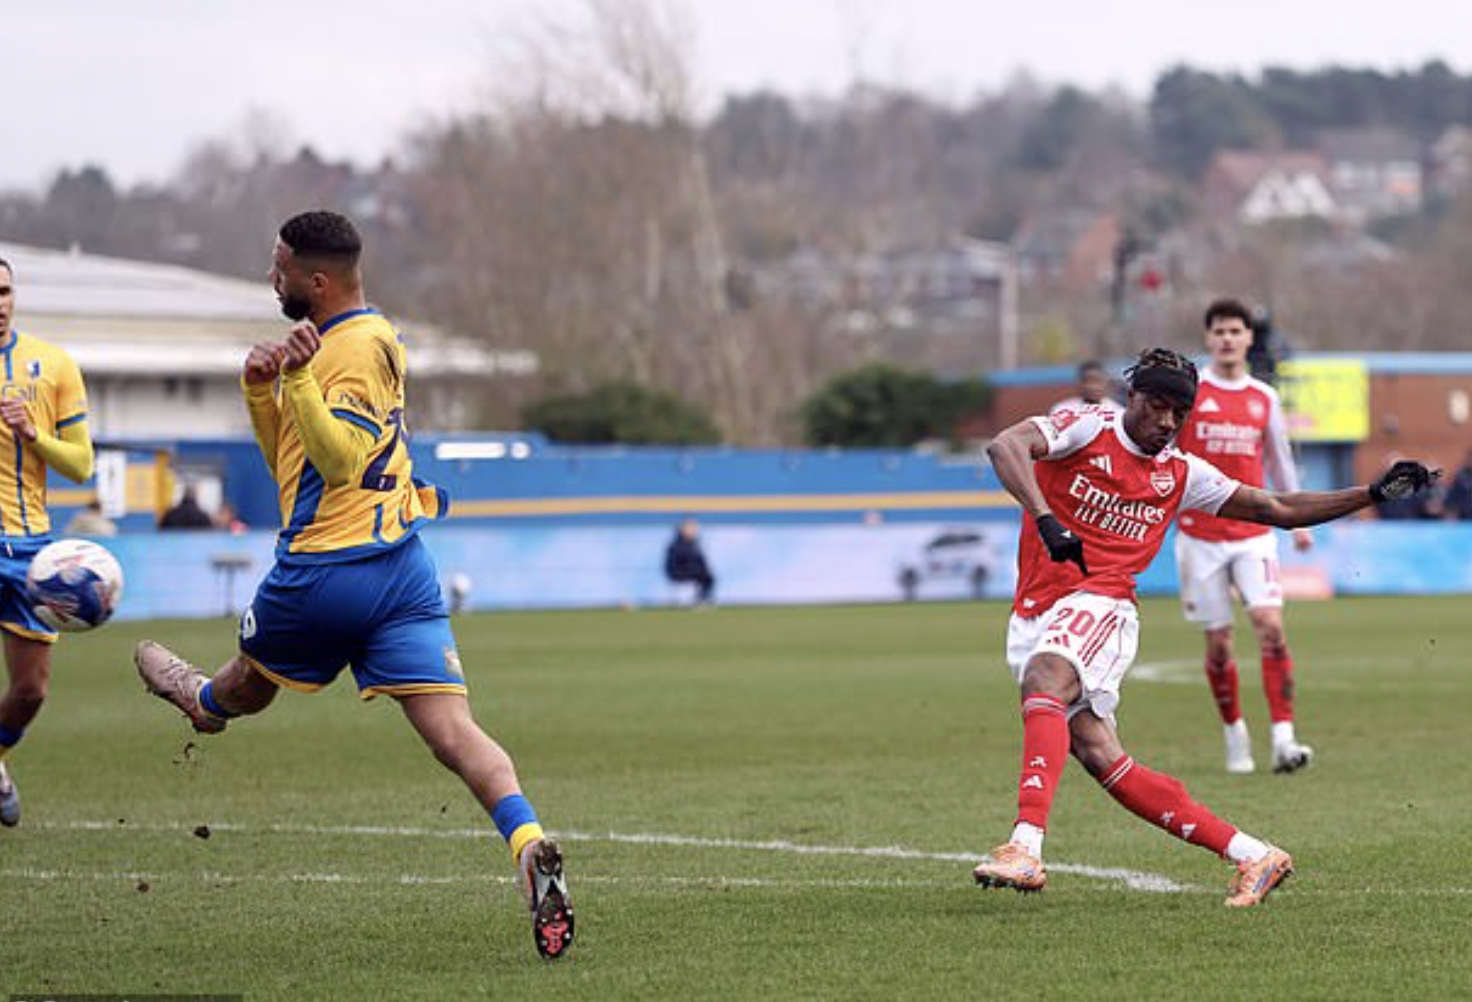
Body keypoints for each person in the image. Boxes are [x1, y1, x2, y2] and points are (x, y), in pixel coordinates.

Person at [132, 211, 573, 959]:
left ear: (315, 280)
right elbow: (295, 460)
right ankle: (527, 842)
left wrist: (298, 376)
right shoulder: (375, 336)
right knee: (455, 734)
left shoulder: (341, 354)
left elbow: (335, 464)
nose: (270, 277)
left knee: (245, 689)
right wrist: (261, 391)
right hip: (401, 567)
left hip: (325, 573)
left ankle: (197, 701)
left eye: (278, 267)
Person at [973, 347, 1436, 906]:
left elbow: (1277, 508)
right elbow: (1006, 445)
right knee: (1100, 755)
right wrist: (1045, 519)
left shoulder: (1182, 472)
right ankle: (1254, 854)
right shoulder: (1085, 428)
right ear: (1133, 398)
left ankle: (1025, 847)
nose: (1166, 423)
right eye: (1156, 406)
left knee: (1046, 679)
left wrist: (1370, 494)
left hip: (1104, 605)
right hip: (1036, 610)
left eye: (1178, 413)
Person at [1174, 298, 1315, 775]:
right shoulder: (1191, 391)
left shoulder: (1264, 398)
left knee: (1271, 628)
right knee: (1219, 646)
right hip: (1199, 536)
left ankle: (1284, 739)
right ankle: (1235, 734)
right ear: (1208, 338)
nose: (1228, 338)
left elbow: (1279, 460)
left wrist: (1297, 517)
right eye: (1219, 331)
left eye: (1236, 330)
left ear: (1250, 338)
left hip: (1254, 532)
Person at [0, 256, 97, 828]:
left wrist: (32, 434)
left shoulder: (53, 365)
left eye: (5, 290)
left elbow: (82, 464)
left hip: (31, 551)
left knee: (31, 691)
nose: (0, 302)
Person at [664, 518, 716, 605]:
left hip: (693, 572)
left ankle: (704, 598)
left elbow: (700, 561)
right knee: (703, 576)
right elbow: (675, 564)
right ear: (682, 530)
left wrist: (702, 568)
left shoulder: (694, 543)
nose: (694, 531)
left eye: (694, 528)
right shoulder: (677, 544)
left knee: (707, 576)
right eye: (690, 529)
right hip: (679, 573)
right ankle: (702, 599)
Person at [1049, 360, 1123, 418]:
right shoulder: (1062, 410)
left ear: (1106, 384)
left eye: (1097, 381)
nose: (1091, 387)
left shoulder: (1117, 411)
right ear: (1078, 384)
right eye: (1086, 381)